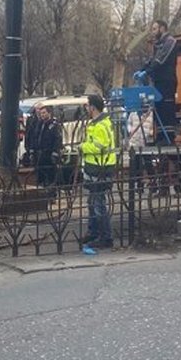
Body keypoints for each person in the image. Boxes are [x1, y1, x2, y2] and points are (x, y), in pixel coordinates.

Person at [80, 94, 116, 250]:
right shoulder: (98, 123)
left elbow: (99, 147)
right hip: (95, 167)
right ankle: (94, 232)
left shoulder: (100, 125)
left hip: (100, 168)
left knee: (98, 204)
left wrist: (82, 148)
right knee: (92, 202)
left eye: (87, 105)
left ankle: (105, 237)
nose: (86, 108)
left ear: (93, 107)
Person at [133, 20, 178, 144]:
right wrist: (141, 70)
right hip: (157, 81)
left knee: (166, 107)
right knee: (158, 107)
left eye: (154, 29)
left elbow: (160, 60)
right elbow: (151, 60)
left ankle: (168, 137)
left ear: (162, 28)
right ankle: (160, 136)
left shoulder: (170, 41)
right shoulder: (157, 44)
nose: (153, 32)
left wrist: (147, 72)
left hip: (167, 80)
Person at [26, 104, 63, 189]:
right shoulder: (39, 124)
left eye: (44, 113)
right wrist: (32, 151)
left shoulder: (54, 125)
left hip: (48, 155)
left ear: (49, 113)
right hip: (39, 154)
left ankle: (51, 194)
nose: (42, 115)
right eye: (41, 113)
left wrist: (55, 153)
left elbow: (57, 140)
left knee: (50, 176)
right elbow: (35, 137)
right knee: (40, 176)